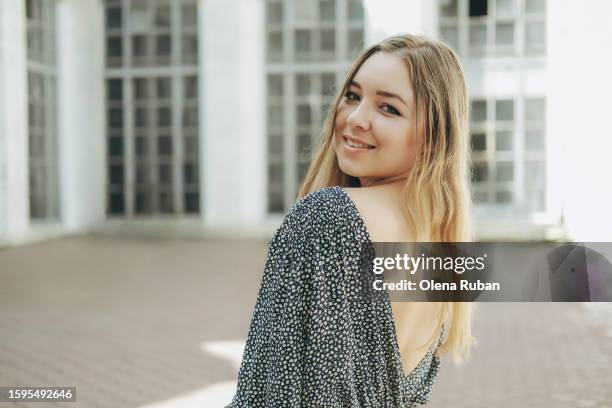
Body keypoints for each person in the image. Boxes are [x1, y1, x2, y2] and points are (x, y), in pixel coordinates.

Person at [226, 33, 476, 407]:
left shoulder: (328, 218)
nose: (355, 119)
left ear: (432, 137)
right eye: (353, 96)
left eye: (388, 109)